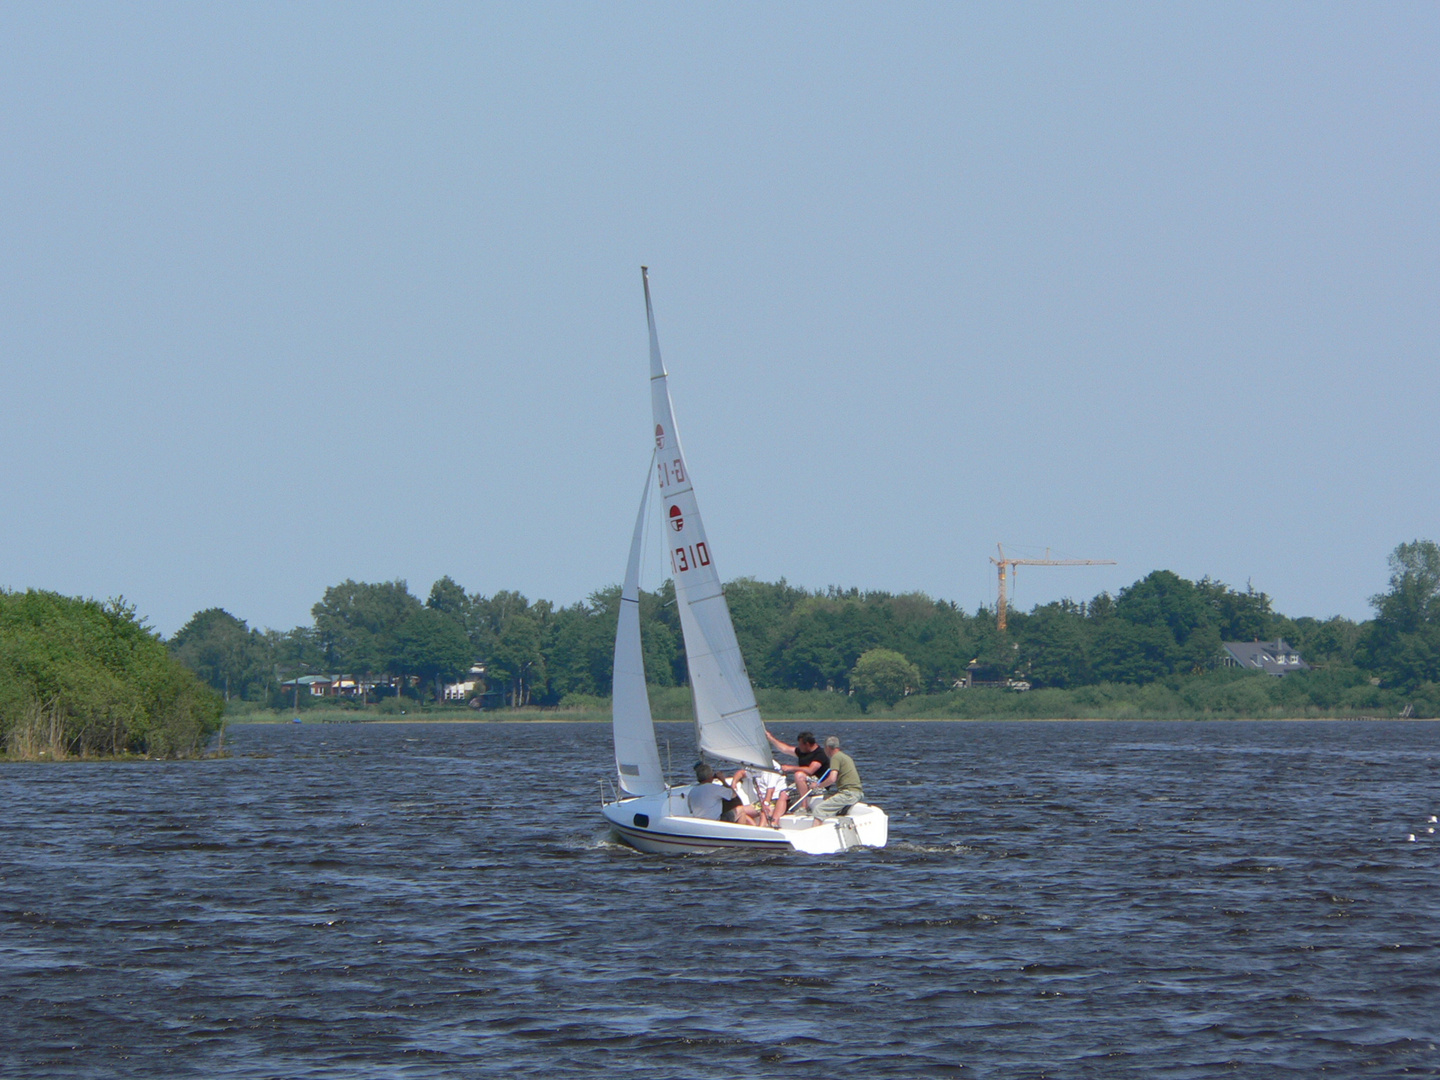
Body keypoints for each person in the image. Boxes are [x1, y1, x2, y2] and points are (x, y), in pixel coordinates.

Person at [766, 729, 832, 803]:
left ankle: (804, 806)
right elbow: (785, 749)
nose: (799, 746)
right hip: (804, 783)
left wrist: (791, 768)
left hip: (818, 785)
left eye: (800, 744)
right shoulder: (802, 751)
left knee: (799, 775)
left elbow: (810, 770)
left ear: (807, 744)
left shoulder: (820, 754)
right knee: (783, 794)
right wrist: (770, 738)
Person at [813, 735, 863, 820]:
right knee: (826, 796)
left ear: (828, 748)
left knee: (818, 809)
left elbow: (832, 779)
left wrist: (818, 785)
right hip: (857, 793)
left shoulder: (835, 757)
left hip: (848, 794)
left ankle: (816, 829)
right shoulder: (845, 757)